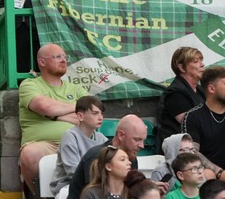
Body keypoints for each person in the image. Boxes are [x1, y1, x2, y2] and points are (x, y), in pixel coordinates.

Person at [17, 44, 83, 195]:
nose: (63, 60)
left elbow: (88, 116)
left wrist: (55, 115)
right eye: (57, 57)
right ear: (42, 62)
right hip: (44, 146)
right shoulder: (29, 85)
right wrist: (75, 108)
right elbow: (45, 106)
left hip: (77, 143)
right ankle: (43, 196)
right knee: (29, 154)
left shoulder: (77, 89)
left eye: (65, 57)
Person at [66, 116, 147, 199]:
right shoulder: (95, 156)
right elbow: (94, 194)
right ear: (121, 135)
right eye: (137, 139)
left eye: (143, 140)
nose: (142, 146)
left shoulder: (131, 158)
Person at [49, 97, 105, 197]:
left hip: (94, 184)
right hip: (67, 185)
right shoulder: (70, 136)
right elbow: (73, 172)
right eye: (95, 113)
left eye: (101, 113)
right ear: (80, 116)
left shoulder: (101, 138)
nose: (100, 117)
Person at [155, 48, 203, 151]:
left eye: (201, 60)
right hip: (179, 151)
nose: (202, 64)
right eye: (196, 61)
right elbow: (190, 123)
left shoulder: (201, 91)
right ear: (181, 67)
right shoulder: (175, 93)